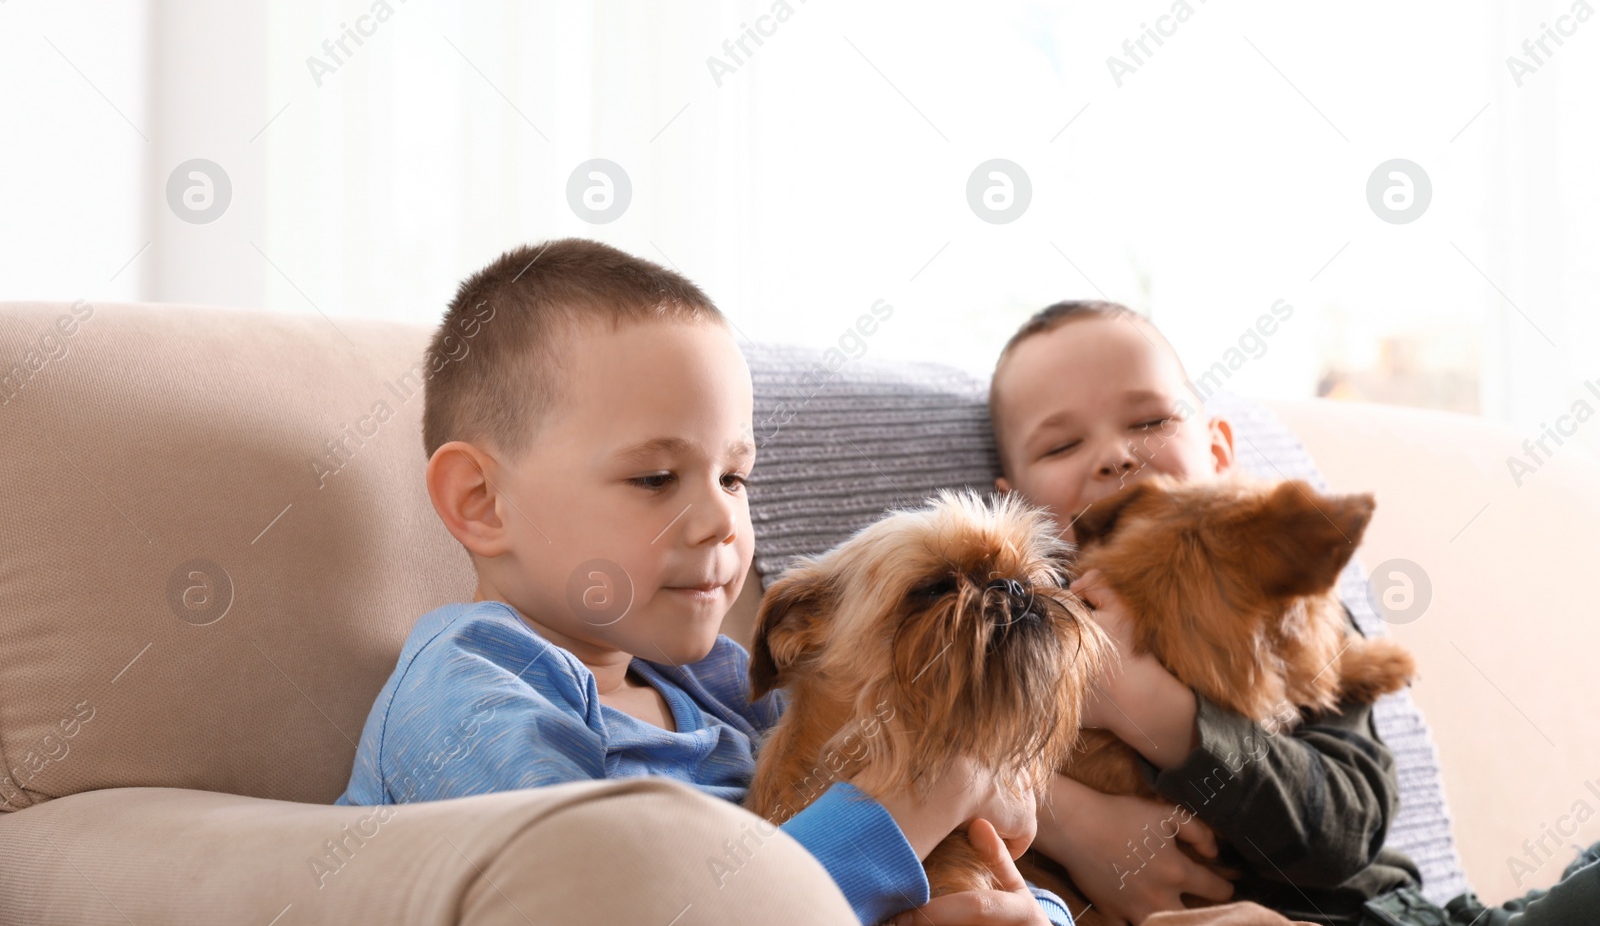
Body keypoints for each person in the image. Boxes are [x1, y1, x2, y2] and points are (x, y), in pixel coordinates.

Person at [336, 237, 1073, 926]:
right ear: (481, 501)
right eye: (656, 477)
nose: (721, 518)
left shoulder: (716, 686)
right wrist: (913, 804)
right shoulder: (468, 692)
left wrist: (1031, 911)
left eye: (734, 475)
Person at [987, 300, 1422, 926]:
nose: (1115, 455)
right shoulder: (1014, 622)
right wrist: (1073, 825)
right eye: (1062, 445)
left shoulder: (1284, 602)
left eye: (1151, 419)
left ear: (1218, 451)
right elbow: (923, 756)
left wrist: (1163, 717)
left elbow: (1347, 828)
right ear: (1015, 503)